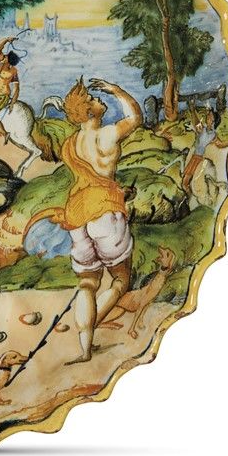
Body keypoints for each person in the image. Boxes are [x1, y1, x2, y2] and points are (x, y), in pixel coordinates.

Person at [50, 77, 142, 363]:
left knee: (87, 283)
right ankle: (92, 326)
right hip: (104, 213)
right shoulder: (107, 135)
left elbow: (89, 181)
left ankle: (85, 348)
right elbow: (135, 118)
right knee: (121, 280)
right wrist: (117, 90)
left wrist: (117, 190)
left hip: (77, 215)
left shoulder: (70, 144)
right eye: (93, 99)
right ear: (89, 112)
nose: (100, 100)